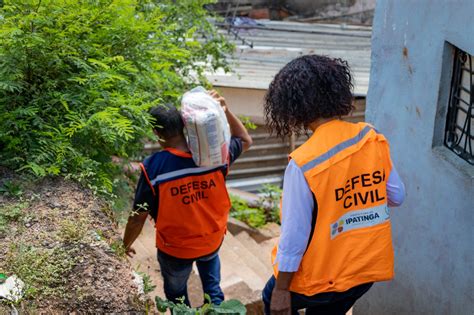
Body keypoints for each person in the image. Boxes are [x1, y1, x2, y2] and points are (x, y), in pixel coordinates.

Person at [261, 55, 406, 315]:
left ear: (292, 107)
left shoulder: (303, 163)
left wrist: (282, 290)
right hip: (364, 272)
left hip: (323, 280)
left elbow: (295, 236)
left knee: (270, 294)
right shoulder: (371, 138)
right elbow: (397, 196)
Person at [123, 90, 252, 306]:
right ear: (185, 125)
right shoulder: (215, 156)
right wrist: (225, 111)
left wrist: (125, 244)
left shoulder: (154, 168)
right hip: (211, 240)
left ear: (156, 132)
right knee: (213, 289)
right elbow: (245, 139)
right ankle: (218, 309)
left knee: (177, 297)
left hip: (175, 248)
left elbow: (138, 216)